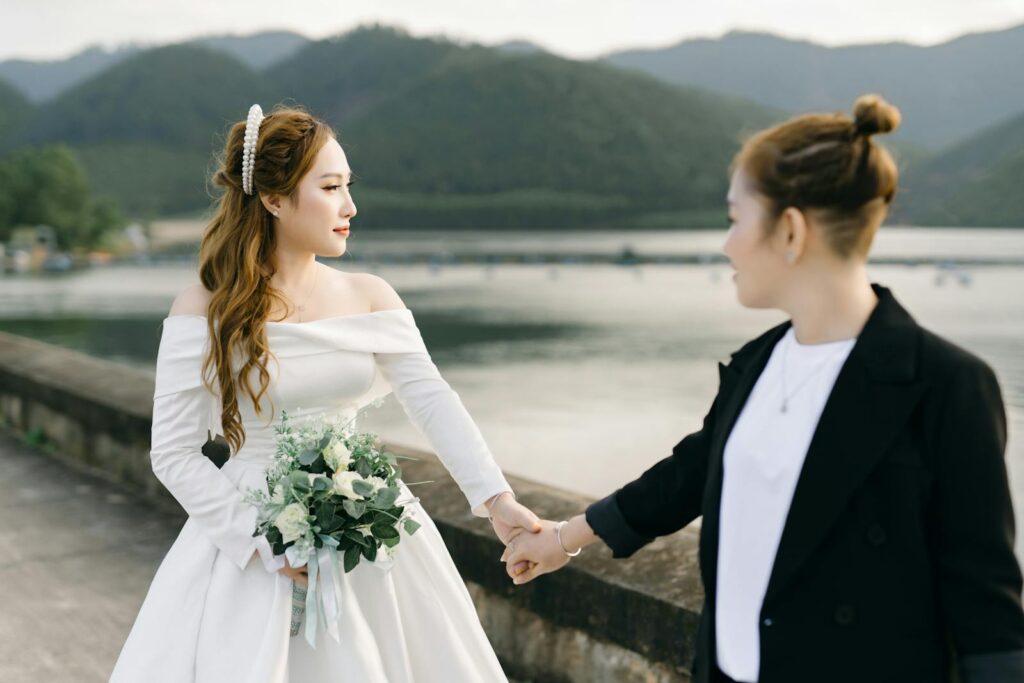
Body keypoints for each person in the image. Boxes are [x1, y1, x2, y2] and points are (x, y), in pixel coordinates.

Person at [502, 95, 1024, 683]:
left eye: (734, 219)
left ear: (792, 230)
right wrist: (566, 538)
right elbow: (690, 474)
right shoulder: (759, 363)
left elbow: (989, 615)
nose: (726, 244)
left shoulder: (945, 385)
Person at [110, 104, 540, 682]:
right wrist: (263, 542)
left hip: (369, 525)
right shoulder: (202, 310)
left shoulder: (370, 295)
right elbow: (175, 452)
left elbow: (433, 402)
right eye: (331, 187)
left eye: (348, 187)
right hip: (252, 537)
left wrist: (497, 501)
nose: (350, 206)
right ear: (274, 199)